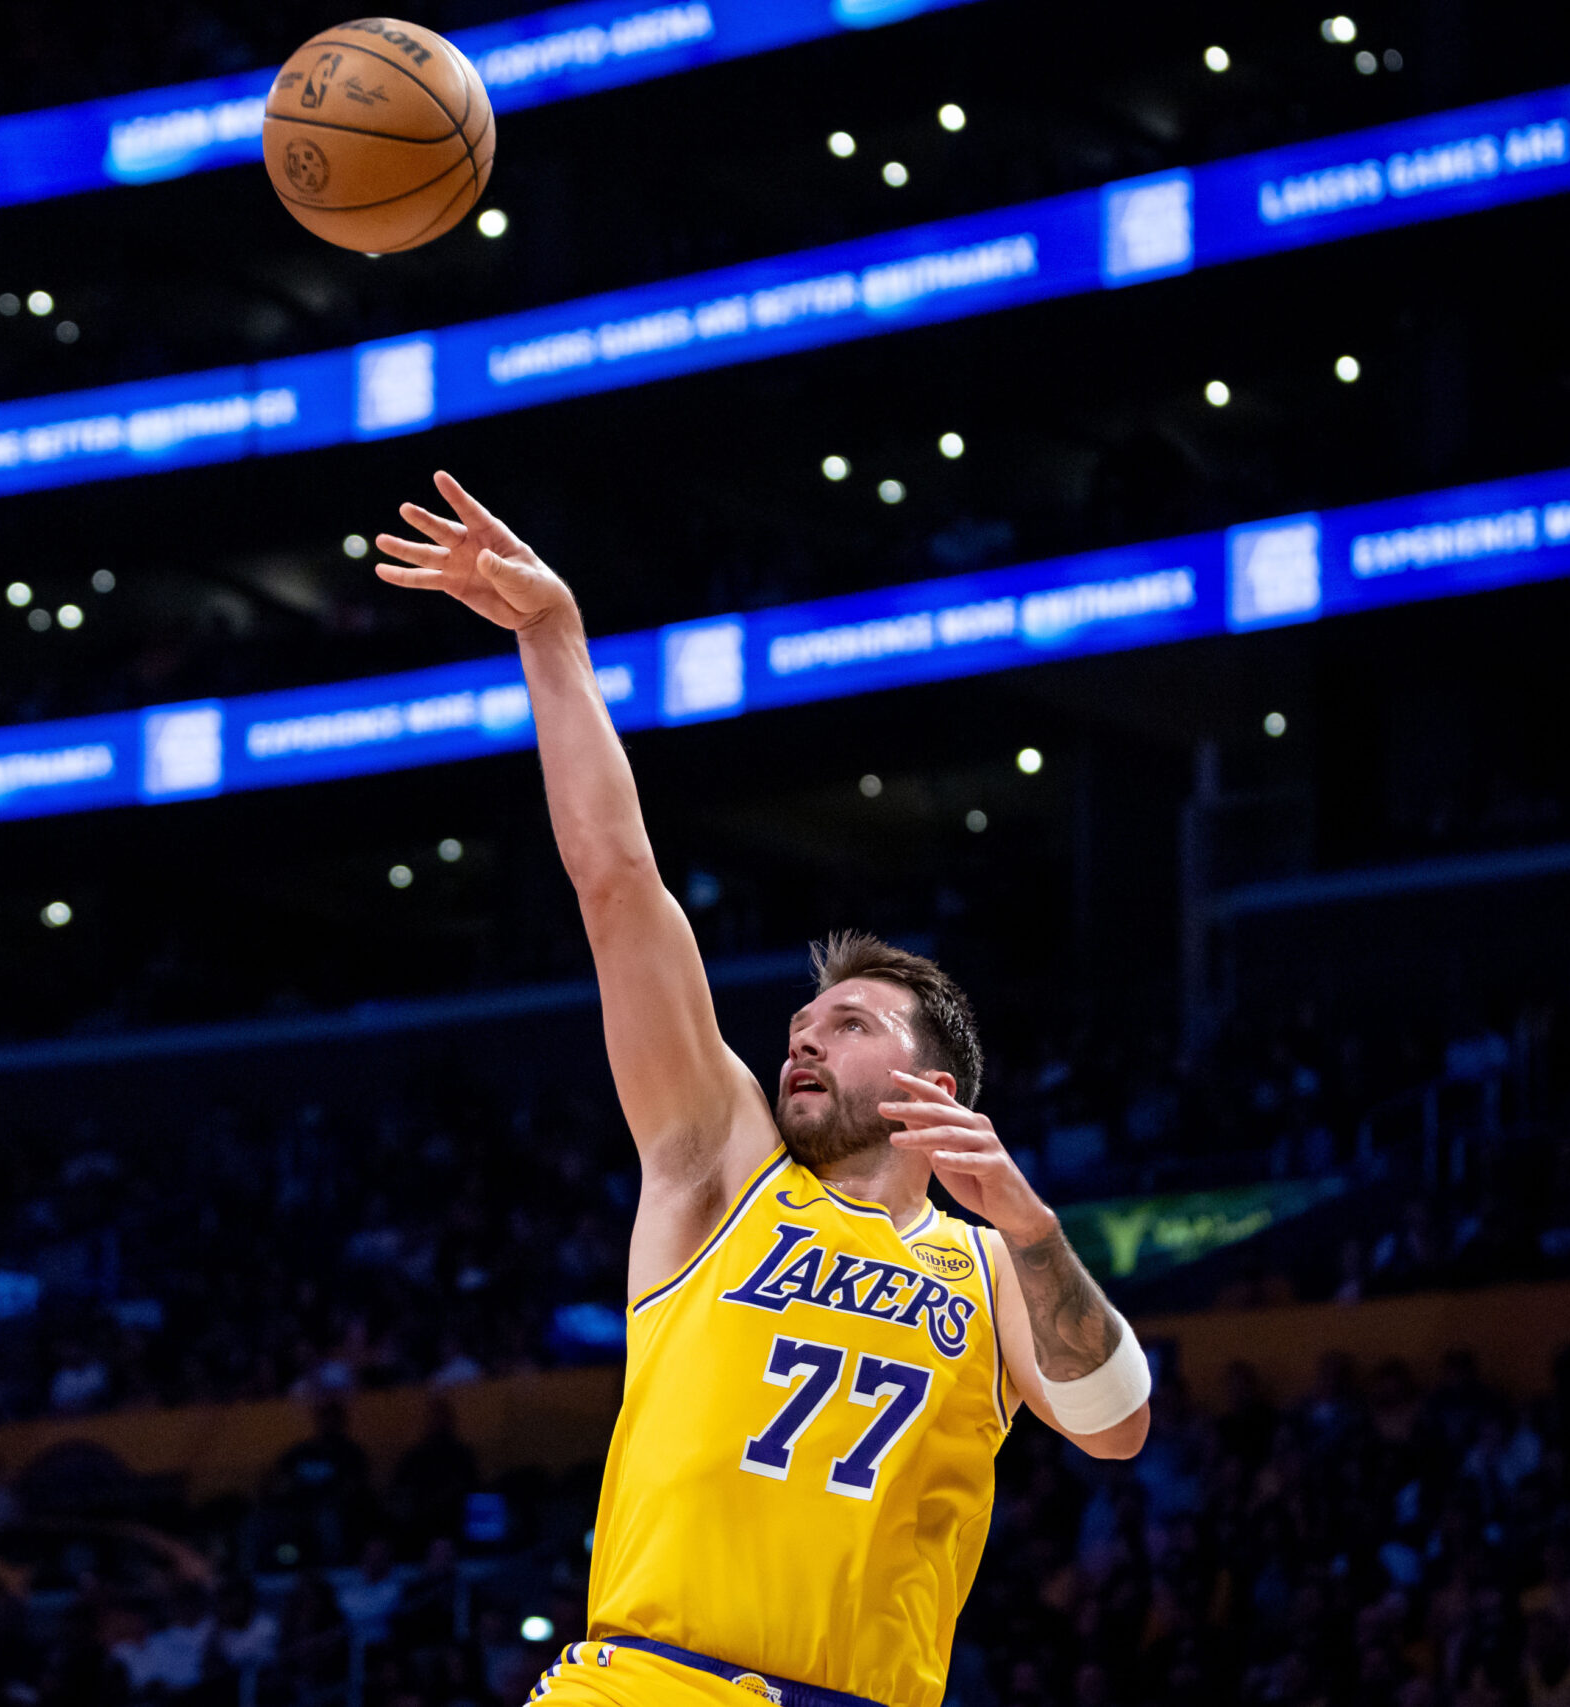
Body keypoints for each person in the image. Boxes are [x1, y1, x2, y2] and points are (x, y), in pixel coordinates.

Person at [373, 474, 1153, 1707]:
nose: (801, 1042)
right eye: (798, 1026)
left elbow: (1116, 1427)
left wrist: (1033, 1228)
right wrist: (552, 638)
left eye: (847, 1024)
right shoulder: (721, 1163)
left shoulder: (994, 1269)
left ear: (933, 1083)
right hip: (645, 1687)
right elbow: (618, 886)